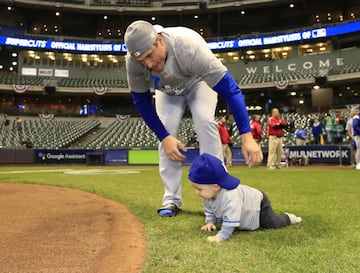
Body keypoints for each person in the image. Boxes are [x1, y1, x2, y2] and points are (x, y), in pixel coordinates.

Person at [124, 20, 263, 216]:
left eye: (149, 56)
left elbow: (231, 91)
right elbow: (141, 101)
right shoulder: (132, 61)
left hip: (198, 82)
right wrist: (164, 137)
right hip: (167, 91)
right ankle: (171, 200)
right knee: (166, 135)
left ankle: (219, 197)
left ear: (159, 40)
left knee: (205, 122)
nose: (148, 65)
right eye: (141, 61)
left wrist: (246, 136)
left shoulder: (187, 45)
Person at [188, 153, 302, 243]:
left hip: (259, 203)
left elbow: (231, 218)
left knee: (273, 224)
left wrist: (221, 236)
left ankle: (288, 217)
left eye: (199, 189)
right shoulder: (209, 195)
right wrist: (210, 222)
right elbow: (210, 209)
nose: (196, 192)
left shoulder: (230, 196)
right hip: (247, 206)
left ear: (216, 186)